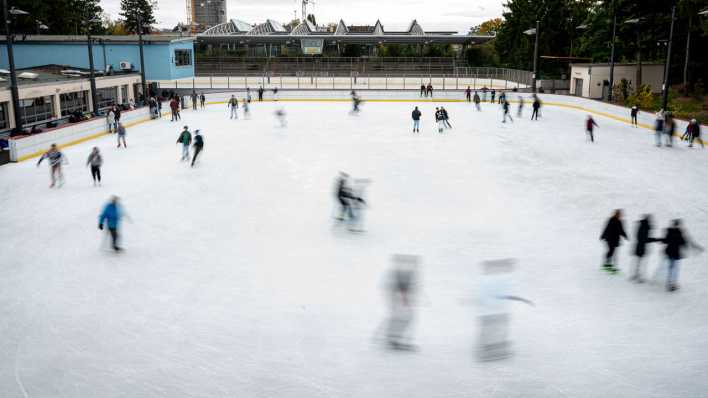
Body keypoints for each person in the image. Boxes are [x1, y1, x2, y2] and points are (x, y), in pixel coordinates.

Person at [385, 254, 419, 351]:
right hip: (398, 297)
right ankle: (393, 338)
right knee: (403, 318)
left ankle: (393, 338)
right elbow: (401, 290)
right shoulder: (402, 277)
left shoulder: (405, 275)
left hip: (400, 296)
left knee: (405, 318)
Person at [658, 219, 703, 291]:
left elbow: (665, 240)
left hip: (670, 252)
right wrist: (694, 247)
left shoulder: (669, 231)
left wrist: (659, 240)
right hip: (675, 253)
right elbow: (685, 242)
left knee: (671, 268)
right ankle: (672, 284)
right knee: (674, 269)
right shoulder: (679, 232)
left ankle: (670, 283)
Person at [631, 215, 657, 283]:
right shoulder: (645, 227)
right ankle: (639, 277)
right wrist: (654, 239)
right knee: (642, 263)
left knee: (638, 262)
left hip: (638, 246)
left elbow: (638, 236)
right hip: (642, 247)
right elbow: (645, 239)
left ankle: (635, 275)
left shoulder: (640, 226)